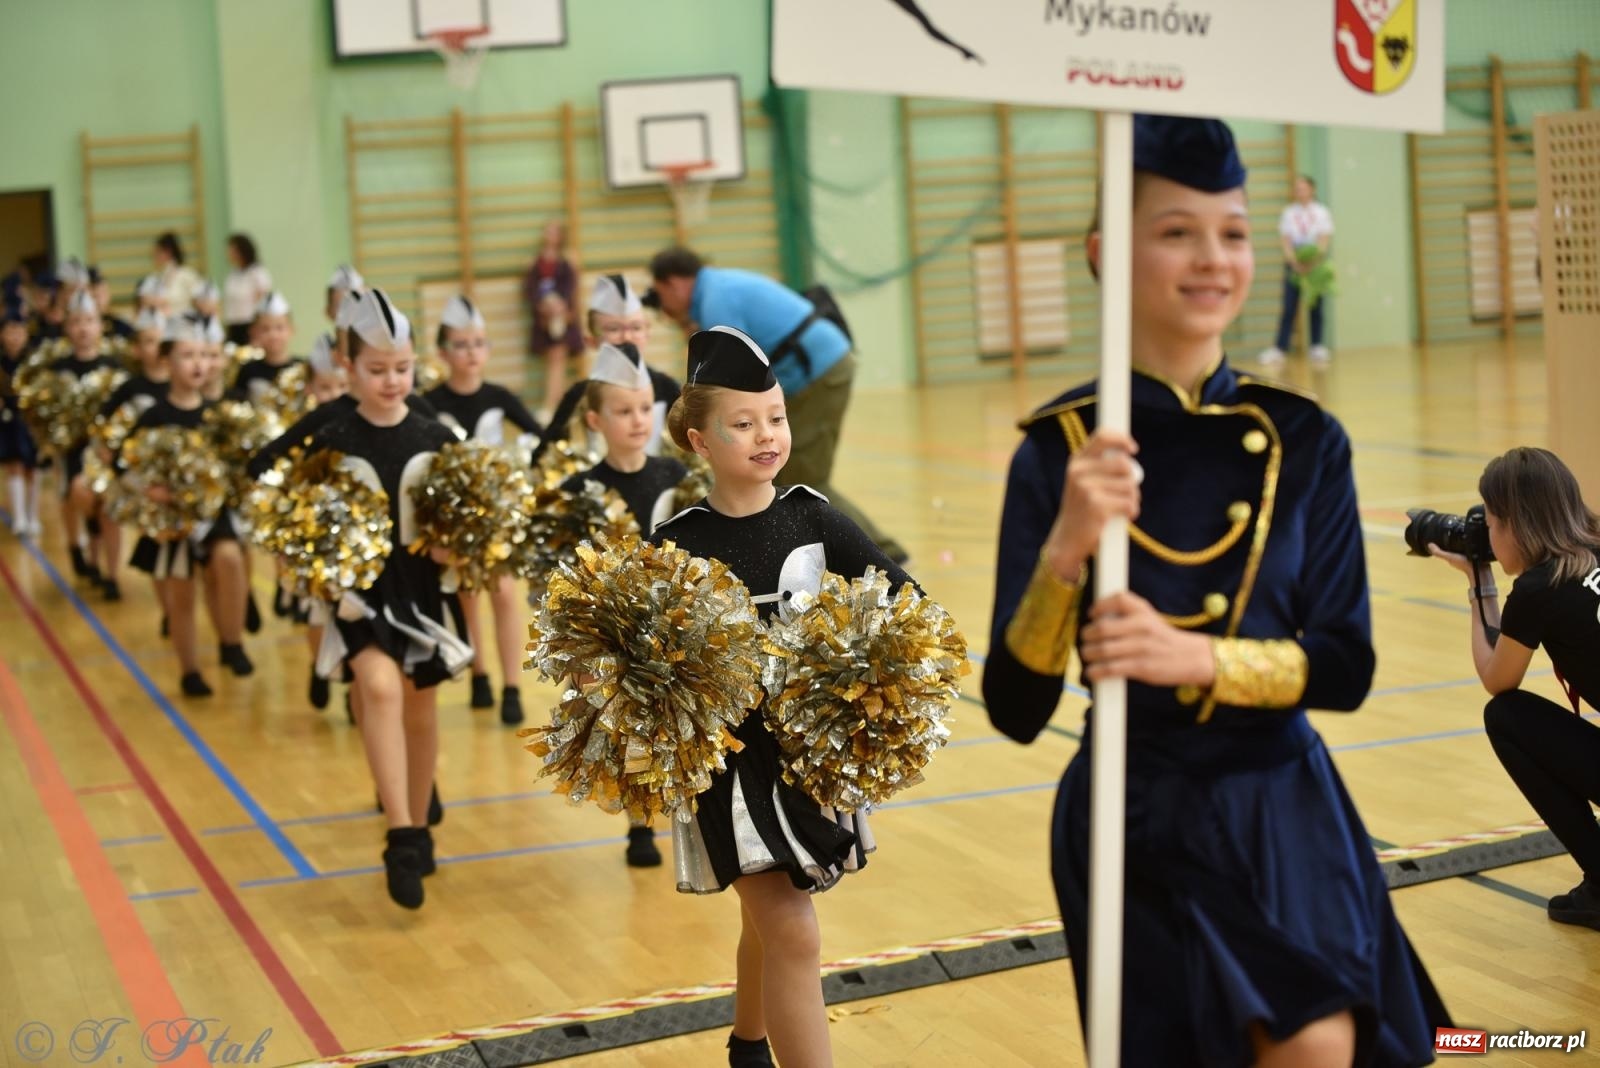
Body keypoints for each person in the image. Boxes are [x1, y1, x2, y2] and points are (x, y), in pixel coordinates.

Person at [980, 115, 1448, 1066]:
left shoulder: (1307, 439)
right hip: (1136, 809)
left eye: (1233, 232)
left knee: (1323, 1046)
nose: (1213, 259)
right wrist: (1067, 548)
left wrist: (1194, 657)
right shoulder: (1057, 449)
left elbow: (1345, 666)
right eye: (1176, 231)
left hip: (1284, 806)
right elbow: (1016, 706)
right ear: (1108, 253)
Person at [651, 326, 915, 1068]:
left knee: (770, 915)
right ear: (701, 441)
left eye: (776, 416)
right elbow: (636, 661)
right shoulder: (676, 540)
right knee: (794, 930)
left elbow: (907, 603)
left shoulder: (813, 517)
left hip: (808, 761)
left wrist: (867, 674)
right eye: (744, 423)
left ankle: (748, 1042)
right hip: (729, 769)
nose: (767, 435)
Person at [302, 287, 470, 909]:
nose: (393, 380)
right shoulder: (332, 440)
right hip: (360, 594)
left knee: (421, 708)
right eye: (377, 370)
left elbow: (468, 520)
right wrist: (324, 576)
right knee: (376, 688)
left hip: (423, 589)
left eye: (402, 368)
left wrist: (457, 547)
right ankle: (400, 833)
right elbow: (301, 524)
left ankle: (421, 827)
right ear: (348, 368)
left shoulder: (437, 435)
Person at [1426, 447, 1600, 931]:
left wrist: (1479, 580)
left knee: (1507, 718)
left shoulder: (1540, 588)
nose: (1488, 535)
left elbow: (1496, 680)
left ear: (1515, 526)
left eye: (1492, 524)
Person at [647, 247, 907, 565]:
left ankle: (883, 554)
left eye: (662, 296)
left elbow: (725, 379)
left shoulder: (716, 300)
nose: (665, 308)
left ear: (673, 284)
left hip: (820, 373)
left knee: (807, 476)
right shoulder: (717, 287)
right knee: (783, 471)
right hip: (814, 369)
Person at [561, 340, 688, 869]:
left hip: (675, 623)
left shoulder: (678, 478)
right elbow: (563, 576)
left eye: (644, 409)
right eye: (622, 411)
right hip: (611, 631)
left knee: (678, 721)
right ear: (595, 420)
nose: (638, 420)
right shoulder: (578, 490)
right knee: (631, 723)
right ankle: (640, 823)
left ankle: (686, 814)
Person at [422, 295, 543, 725]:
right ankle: (479, 674)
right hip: (455, 520)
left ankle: (511, 685)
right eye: (461, 344)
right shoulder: (429, 402)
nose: (471, 352)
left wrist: (522, 471)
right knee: (468, 594)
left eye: (478, 343)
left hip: (497, 516)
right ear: (442, 353)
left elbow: (540, 439)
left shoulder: (500, 395)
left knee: (505, 593)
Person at [121, 317, 252, 697]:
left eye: (201, 356)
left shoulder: (222, 412)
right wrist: (152, 491)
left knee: (228, 558)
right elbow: (125, 464)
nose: (197, 364)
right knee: (182, 594)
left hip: (215, 512)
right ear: (167, 363)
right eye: (185, 356)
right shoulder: (154, 416)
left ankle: (232, 641)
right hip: (172, 518)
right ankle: (189, 670)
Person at [533, 273, 680, 463]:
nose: (627, 338)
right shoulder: (579, 395)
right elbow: (542, 457)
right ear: (591, 341)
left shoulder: (666, 387)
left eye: (636, 328)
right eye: (614, 329)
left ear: (647, 333)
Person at [52, 290, 125, 598]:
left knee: (110, 508)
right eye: (77, 321)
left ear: (100, 326)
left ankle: (112, 575)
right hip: (74, 450)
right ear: (68, 327)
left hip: (106, 452)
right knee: (83, 501)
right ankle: (88, 554)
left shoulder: (114, 368)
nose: (83, 328)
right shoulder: (57, 370)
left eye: (90, 321)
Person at [1259, 175, 1334, 366]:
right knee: (1289, 306)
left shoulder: (1321, 212)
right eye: (1296, 188)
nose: (1299, 191)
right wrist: (1294, 262)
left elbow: (1324, 240)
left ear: (1312, 189)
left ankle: (1316, 345)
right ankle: (1280, 348)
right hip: (1294, 264)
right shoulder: (1289, 213)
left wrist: (1313, 261)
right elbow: (1286, 240)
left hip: (1315, 264)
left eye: (1303, 188)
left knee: (1315, 305)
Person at [522, 219, 582, 421]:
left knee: (559, 361)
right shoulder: (535, 261)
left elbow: (571, 288)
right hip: (544, 318)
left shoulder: (567, 260)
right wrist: (543, 306)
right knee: (552, 362)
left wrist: (561, 308)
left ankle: (553, 405)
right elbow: (530, 289)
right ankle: (554, 405)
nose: (550, 235)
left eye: (554, 231)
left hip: (563, 318)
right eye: (548, 230)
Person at [1, 309, 42, 536]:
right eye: (10, 331)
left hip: (30, 420)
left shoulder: (34, 361)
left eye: (19, 331)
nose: (15, 336)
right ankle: (19, 518)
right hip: (7, 420)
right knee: (13, 464)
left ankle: (33, 515)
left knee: (32, 468)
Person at [233, 292, 301, 403]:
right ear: (253, 332)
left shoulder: (302, 369)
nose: (273, 335)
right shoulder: (248, 371)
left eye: (279, 328)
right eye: (265, 329)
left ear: (291, 330)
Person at [222, 234, 272, 346]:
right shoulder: (233, 274)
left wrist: (258, 328)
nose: (229, 253)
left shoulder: (257, 273)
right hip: (233, 324)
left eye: (233, 250)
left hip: (250, 324)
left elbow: (263, 303)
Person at [149, 232, 201, 315]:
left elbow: (200, 302)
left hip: (185, 324)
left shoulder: (187, 275)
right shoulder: (158, 277)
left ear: (168, 252)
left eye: (158, 252)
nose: (155, 256)